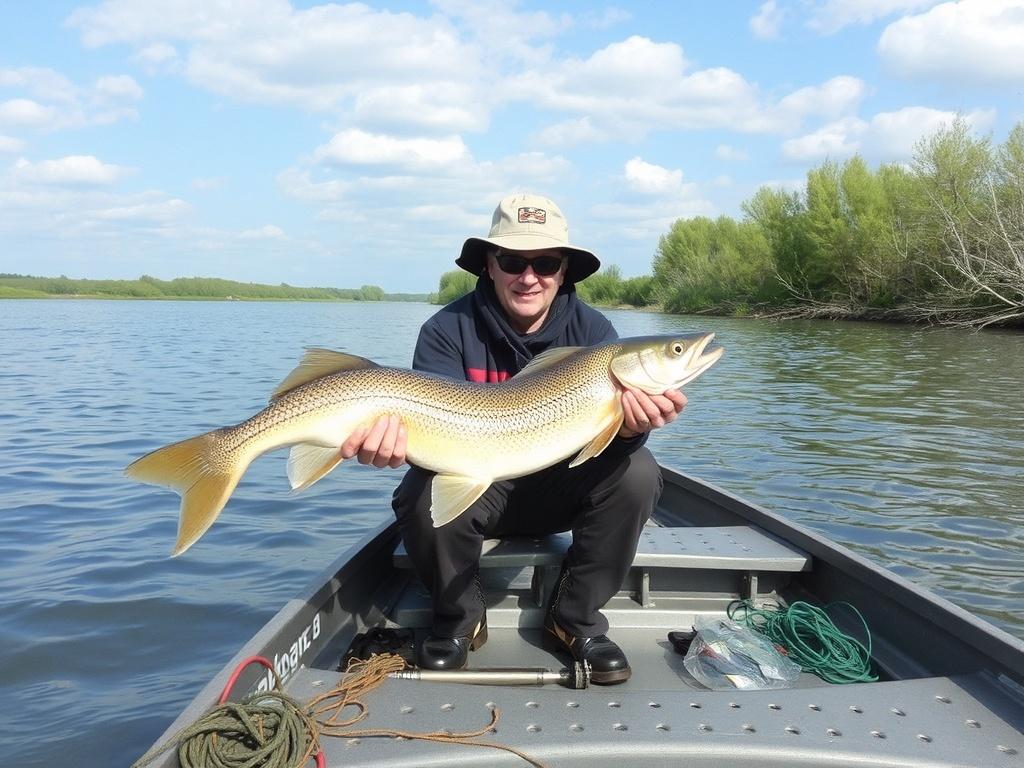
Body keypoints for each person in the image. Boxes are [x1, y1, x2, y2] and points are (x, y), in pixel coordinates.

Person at [339, 193, 686, 684]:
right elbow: (430, 444)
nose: (529, 277)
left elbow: (605, 449)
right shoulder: (446, 329)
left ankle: (574, 619)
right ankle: (460, 620)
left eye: (545, 263)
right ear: (490, 264)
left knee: (639, 472)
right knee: (418, 492)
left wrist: (631, 431)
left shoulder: (596, 332)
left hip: (560, 487)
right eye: (513, 261)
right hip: (484, 488)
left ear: (564, 271)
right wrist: (386, 445)